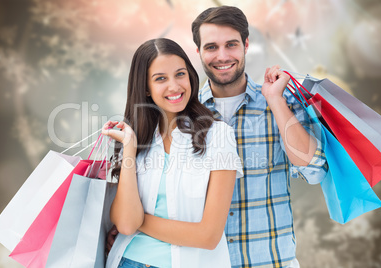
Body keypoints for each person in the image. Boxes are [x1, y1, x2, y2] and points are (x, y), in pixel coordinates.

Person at [190, 6, 328, 268]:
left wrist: (275, 101)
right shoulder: (184, 114)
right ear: (198, 52)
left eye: (231, 44)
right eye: (211, 47)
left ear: (246, 45)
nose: (222, 56)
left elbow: (315, 172)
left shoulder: (281, 102)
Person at [103, 38, 243, 268]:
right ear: (146, 88)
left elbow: (207, 236)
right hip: (127, 261)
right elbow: (126, 226)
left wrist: (138, 220)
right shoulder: (135, 140)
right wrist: (129, 148)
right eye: (160, 79)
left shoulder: (218, 135)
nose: (175, 86)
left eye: (180, 74)